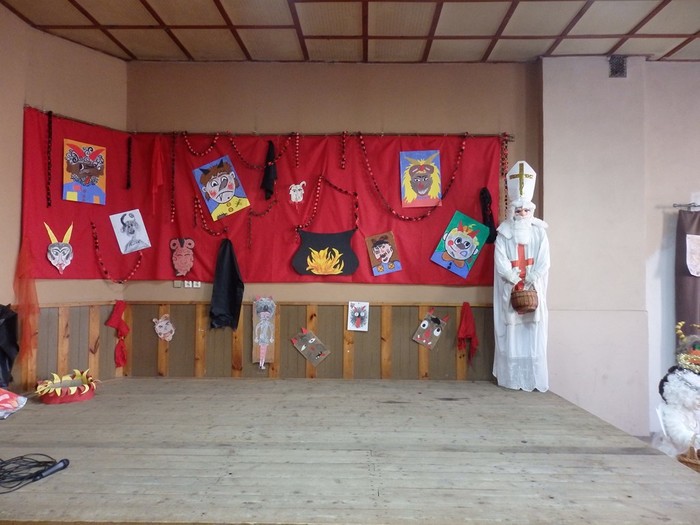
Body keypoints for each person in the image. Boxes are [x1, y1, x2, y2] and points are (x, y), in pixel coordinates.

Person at [493, 160, 550, 392]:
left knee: (533, 332)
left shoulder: (539, 232)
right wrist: (513, 277)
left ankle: (533, 379)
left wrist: (532, 277)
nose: (522, 214)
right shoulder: (504, 233)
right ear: (512, 212)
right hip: (511, 288)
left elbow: (544, 260)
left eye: (526, 210)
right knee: (512, 333)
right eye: (518, 210)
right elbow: (500, 260)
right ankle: (512, 379)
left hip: (533, 287)